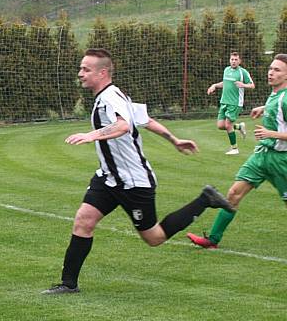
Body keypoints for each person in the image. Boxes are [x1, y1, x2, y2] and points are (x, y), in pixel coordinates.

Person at [42, 48, 232, 295]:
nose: (80, 74)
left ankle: (205, 200)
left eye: (85, 69)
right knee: (83, 220)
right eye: (81, 68)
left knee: (154, 238)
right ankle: (68, 284)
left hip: (133, 182)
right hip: (109, 178)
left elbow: (124, 125)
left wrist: (91, 135)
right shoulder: (114, 95)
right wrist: (174, 139)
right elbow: (146, 119)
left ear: (102, 72)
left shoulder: (111, 98)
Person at [187, 53, 287, 249]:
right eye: (270, 68)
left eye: (277, 70)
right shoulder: (276, 95)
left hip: (281, 160)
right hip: (261, 156)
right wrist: (264, 108)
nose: (270, 73)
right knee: (233, 194)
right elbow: (278, 108)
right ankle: (212, 240)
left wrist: (271, 133)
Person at [207, 51, 254, 155]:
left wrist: (243, 85)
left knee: (228, 125)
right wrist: (214, 85)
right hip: (224, 101)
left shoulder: (243, 72)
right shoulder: (226, 70)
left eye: (236, 60)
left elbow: (252, 85)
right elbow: (225, 83)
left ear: (239, 61)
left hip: (235, 103)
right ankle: (239, 127)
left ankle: (234, 148)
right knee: (220, 125)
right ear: (229, 60)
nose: (233, 61)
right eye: (232, 59)